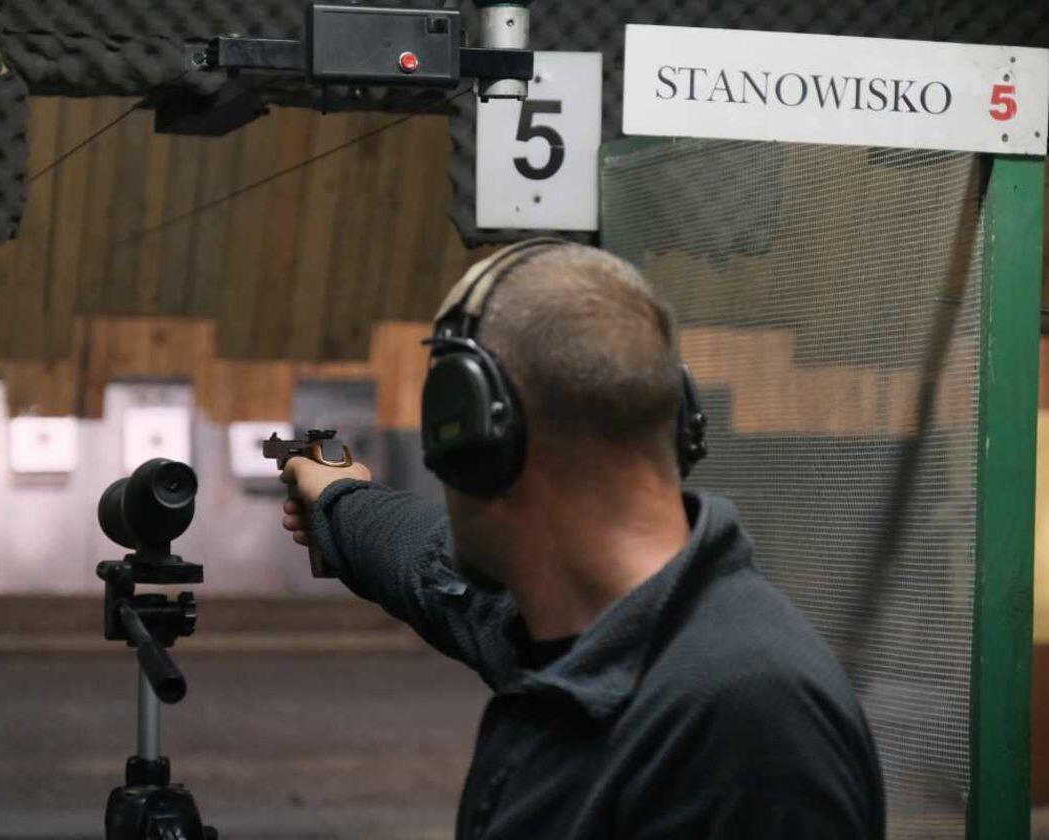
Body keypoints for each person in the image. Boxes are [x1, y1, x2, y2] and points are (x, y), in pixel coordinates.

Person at [278, 240, 885, 839]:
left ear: (483, 442)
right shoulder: (585, 623)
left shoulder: (745, 731)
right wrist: (339, 499)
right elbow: (430, 567)